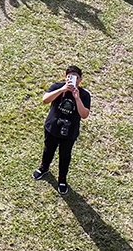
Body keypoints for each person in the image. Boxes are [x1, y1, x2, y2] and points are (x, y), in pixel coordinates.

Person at [33, 65, 91, 195]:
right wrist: (62, 90)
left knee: (65, 156)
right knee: (48, 149)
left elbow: (84, 114)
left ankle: (62, 179)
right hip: (52, 127)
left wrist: (77, 98)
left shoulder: (84, 95)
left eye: (76, 78)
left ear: (80, 80)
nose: (72, 80)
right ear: (65, 78)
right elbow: (45, 100)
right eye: (70, 77)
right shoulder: (57, 87)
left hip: (70, 132)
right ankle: (44, 168)